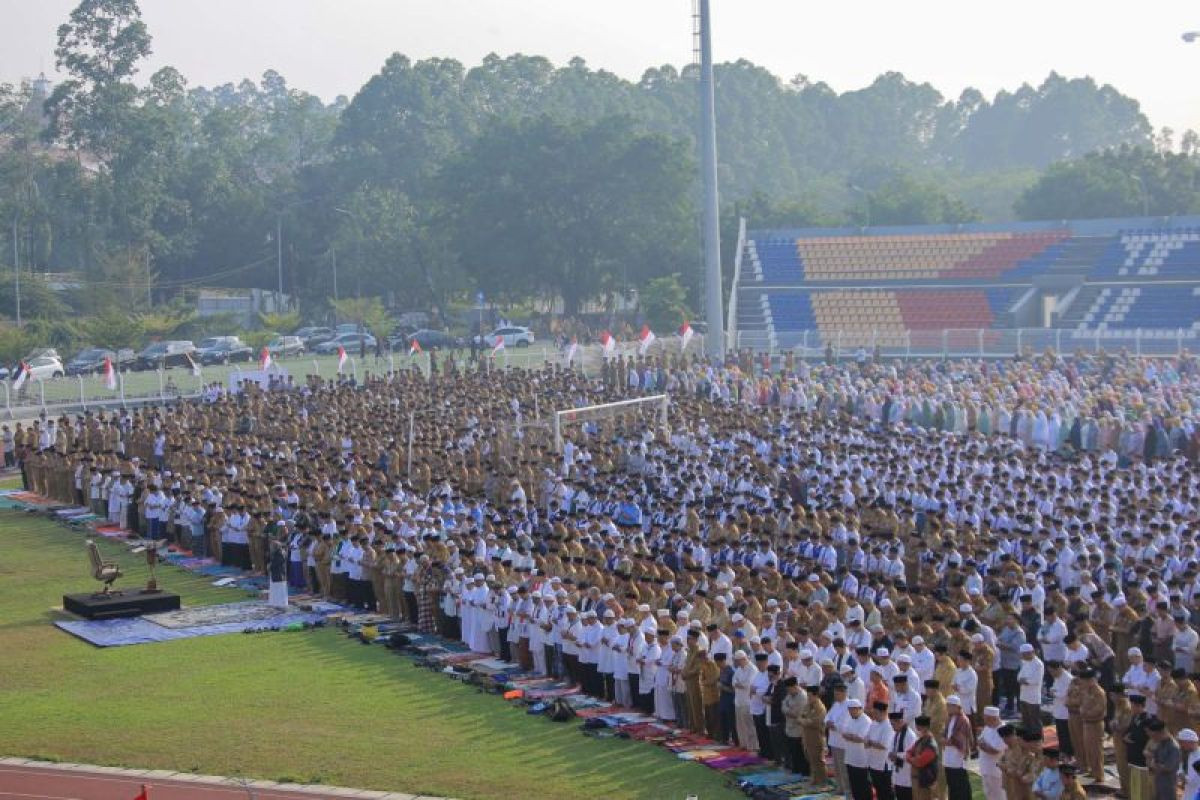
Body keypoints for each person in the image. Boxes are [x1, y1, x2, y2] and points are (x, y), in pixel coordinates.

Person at [942, 695, 973, 800]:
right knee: (952, 785)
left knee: (960, 785)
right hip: (948, 757)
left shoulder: (963, 720)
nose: (948, 708)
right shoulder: (950, 718)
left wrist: (949, 741)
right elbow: (945, 733)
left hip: (958, 758)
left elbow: (962, 739)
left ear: (956, 707)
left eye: (950, 706)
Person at [1144, 718, 1180, 800]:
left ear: (1160, 733)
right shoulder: (1161, 744)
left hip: (1168, 785)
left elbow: (1168, 767)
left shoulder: (1173, 747)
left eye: (1154, 736)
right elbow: (1154, 757)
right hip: (1158, 781)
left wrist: (1153, 764)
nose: (1153, 739)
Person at [977, 707, 1007, 800]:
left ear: (993, 718)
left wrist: (983, 745)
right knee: (989, 795)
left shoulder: (1003, 730)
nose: (985, 722)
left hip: (996, 772)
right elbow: (979, 740)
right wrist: (984, 745)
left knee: (999, 796)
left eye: (986, 719)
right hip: (986, 769)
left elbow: (994, 750)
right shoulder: (988, 727)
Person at [905, 715, 939, 800]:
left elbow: (919, 762)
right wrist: (912, 759)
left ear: (925, 727)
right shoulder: (919, 741)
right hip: (918, 782)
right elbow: (908, 753)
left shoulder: (931, 745)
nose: (917, 729)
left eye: (918, 727)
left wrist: (912, 759)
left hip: (927, 783)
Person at [1017, 644, 1045, 735]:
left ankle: (1038, 740)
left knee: (1035, 721)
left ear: (1031, 653)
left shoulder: (1038, 664)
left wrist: (1025, 681)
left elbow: (1036, 680)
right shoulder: (1025, 662)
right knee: (1026, 720)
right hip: (1023, 695)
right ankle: (1028, 739)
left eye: (1025, 654)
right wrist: (1022, 680)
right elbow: (1019, 676)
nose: (1023, 657)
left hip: (1033, 697)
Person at [267, 539, 288, 608]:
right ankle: (275, 603)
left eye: (271, 546)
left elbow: (276, 563)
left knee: (280, 590)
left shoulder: (280, 553)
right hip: (276, 574)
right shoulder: (276, 553)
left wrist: (270, 566)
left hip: (279, 574)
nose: (270, 548)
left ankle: (281, 604)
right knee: (275, 589)